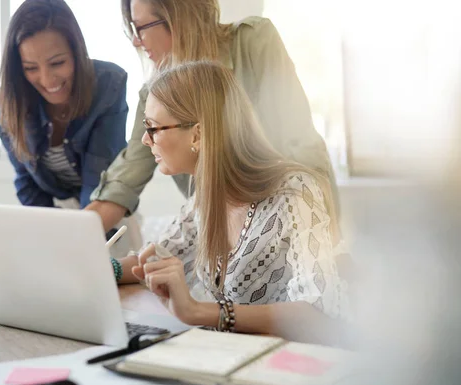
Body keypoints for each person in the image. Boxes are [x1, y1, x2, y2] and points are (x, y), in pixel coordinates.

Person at [112, 61, 350, 345]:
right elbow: (156, 259)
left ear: (197, 135)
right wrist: (103, 268)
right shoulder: (207, 195)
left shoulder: (295, 193)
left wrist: (200, 311)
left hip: (297, 367)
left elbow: (316, 314)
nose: (145, 139)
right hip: (233, 355)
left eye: (152, 127)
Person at [86, 0, 339, 235]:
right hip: (224, 240)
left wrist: (325, 234)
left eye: (141, 27)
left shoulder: (252, 42)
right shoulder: (154, 93)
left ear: (177, 17)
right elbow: (125, 178)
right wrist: (72, 237)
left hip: (289, 226)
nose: (136, 41)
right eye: (132, 28)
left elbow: (300, 145)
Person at [0, 0, 128, 225]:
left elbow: (97, 179)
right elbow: (26, 182)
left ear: (76, 52)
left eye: (57, 63)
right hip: (54, 211)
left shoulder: (109, 84)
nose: (47, 80)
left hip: (106, 208)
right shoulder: (9, 103)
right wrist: (48, 232)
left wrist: (81, 237)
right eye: (31, 68)